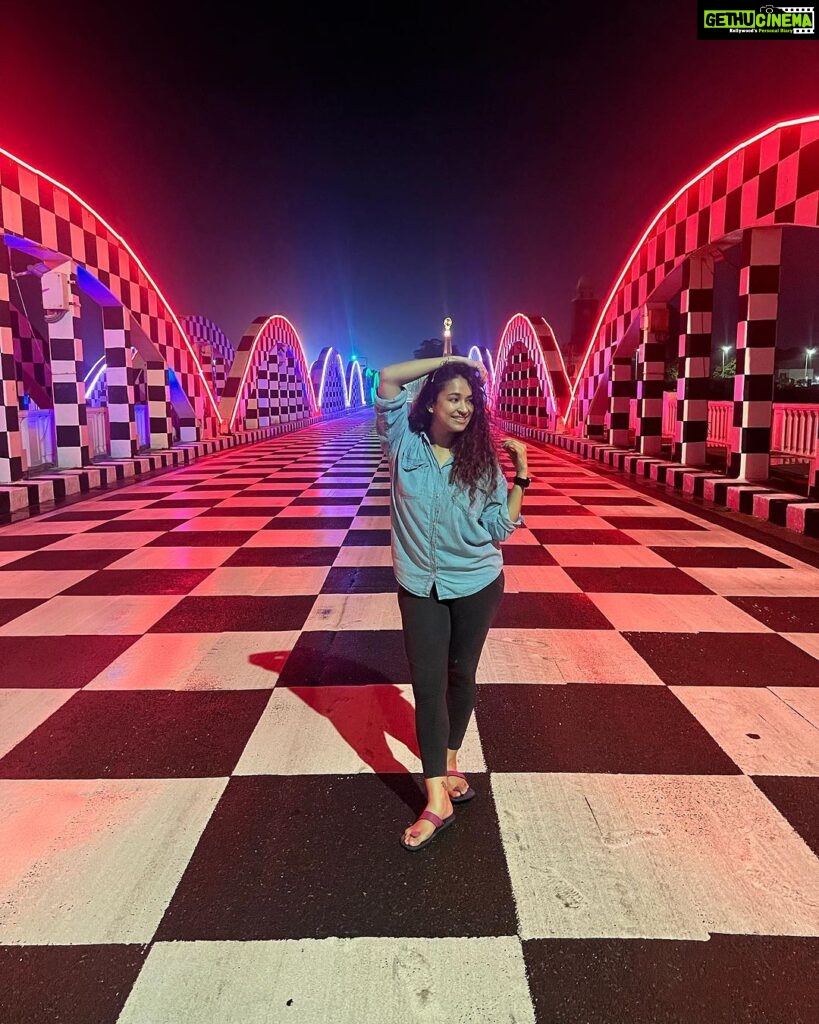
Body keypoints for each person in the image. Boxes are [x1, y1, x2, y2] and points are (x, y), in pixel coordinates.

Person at [375, 352, 530, 852]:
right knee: (427, 683)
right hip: (420, 583)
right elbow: (388, 376)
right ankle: (436, 797)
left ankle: (451, 759)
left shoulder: (480, 461)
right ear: (432, 402)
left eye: (469, 400)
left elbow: (497, 529)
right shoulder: (403, 443)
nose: (463, 408)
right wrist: (450, 359)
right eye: (453, 398)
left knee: (461, 673)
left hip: (477, 581)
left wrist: (520, 477)